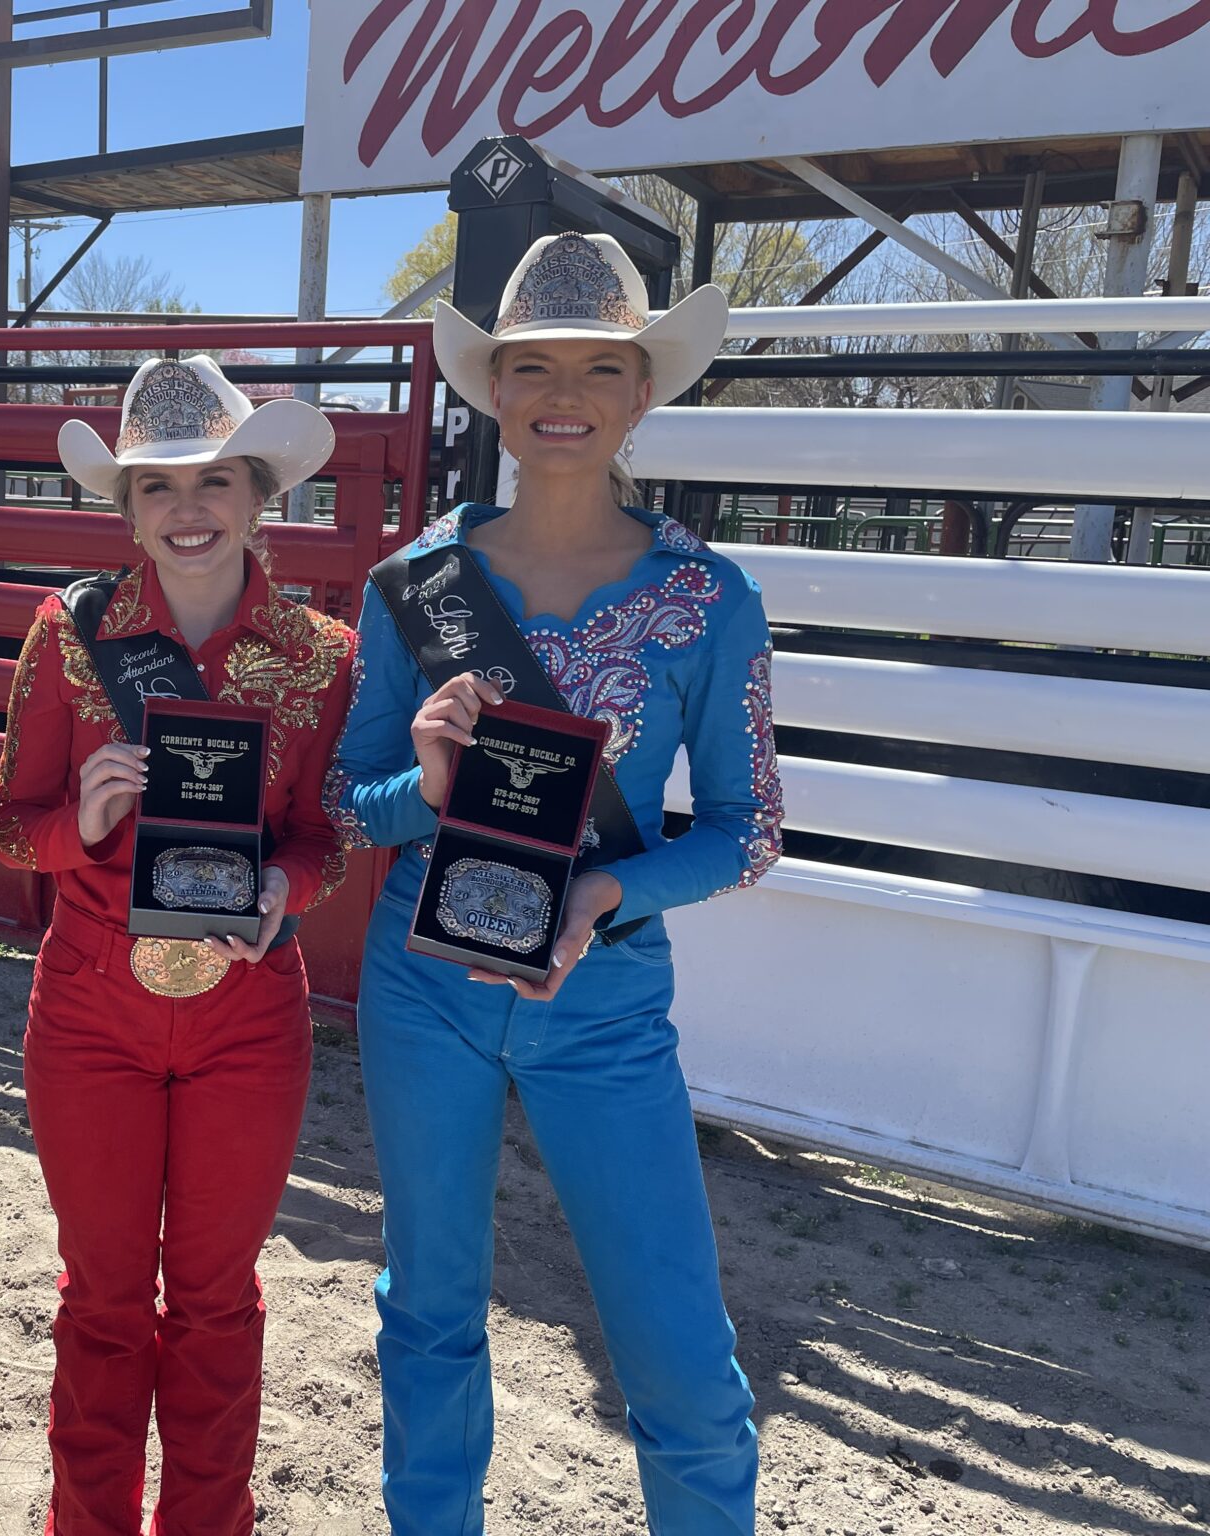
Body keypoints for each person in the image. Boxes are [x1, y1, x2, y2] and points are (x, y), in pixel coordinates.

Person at [327, 233, 783, 1534]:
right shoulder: (414, 586)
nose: (562, 389)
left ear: (643, 390)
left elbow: (746, 832)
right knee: (427, 1316)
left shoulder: (708, 599)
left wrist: (604, 896)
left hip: (605, 1001)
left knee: (678, 1349)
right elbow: (343, 807)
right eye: (532, 362)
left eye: (600, 363)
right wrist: (423, 782)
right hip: (426, 989)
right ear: (496, 386)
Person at [0, 356, 357, 1535]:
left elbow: (324, 835)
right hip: (91, 1008)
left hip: (247, 1019)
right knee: (99, 1299)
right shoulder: (70, 633)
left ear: (259, 498)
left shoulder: (320, 655)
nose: (186, 511)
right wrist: (80, 820)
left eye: (213, 483)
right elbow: (8, 827)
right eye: (157, 488)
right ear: (126, 508)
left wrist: (284, 887)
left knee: (213, 1302)